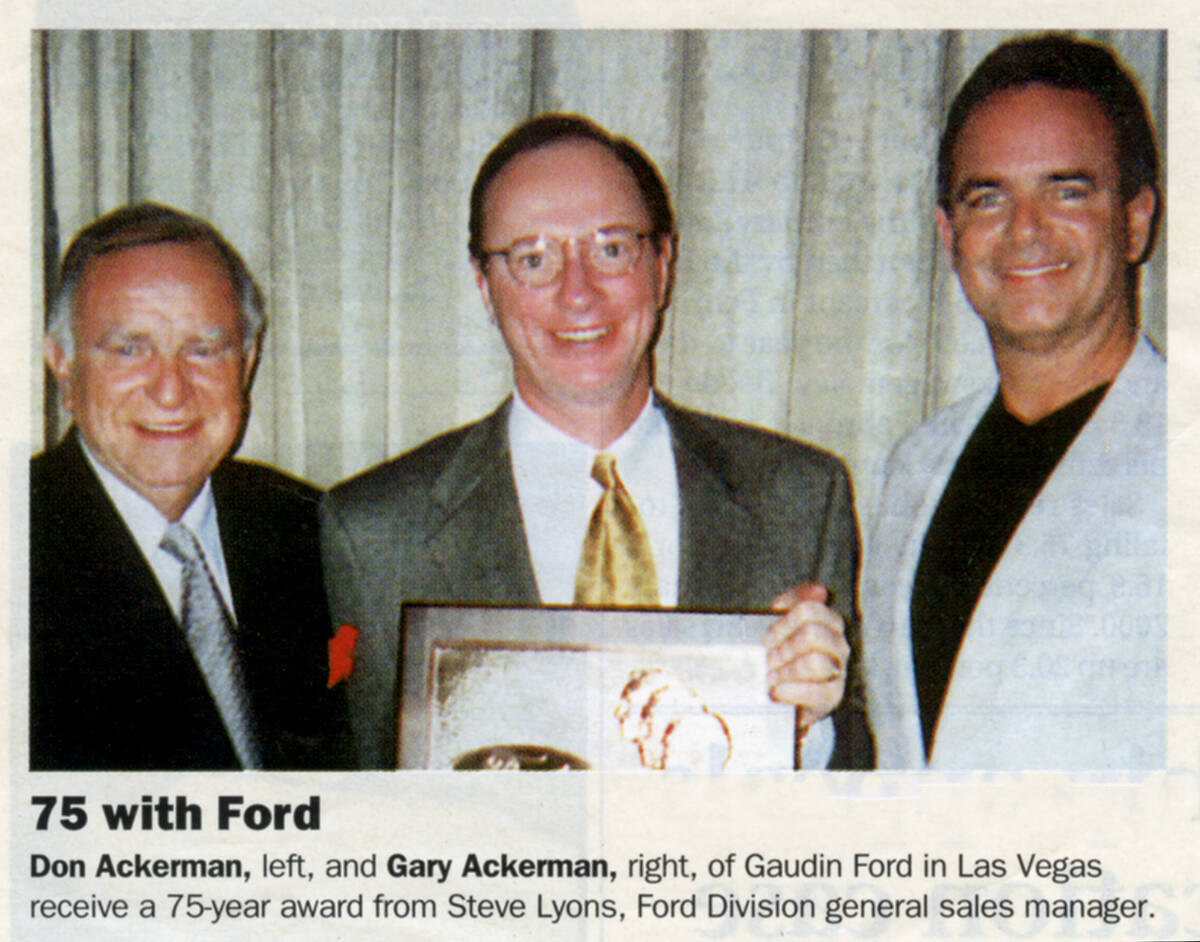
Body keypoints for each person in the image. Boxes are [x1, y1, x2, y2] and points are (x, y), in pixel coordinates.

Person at [322, 114, 873, 771]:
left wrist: (810, 730)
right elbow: (368, 802)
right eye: (533, 258)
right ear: (483, 286)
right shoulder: (374, 532)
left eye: (611, 248)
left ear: (662, 266)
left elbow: (864, 791)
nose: (577, 292)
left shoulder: (802, 496)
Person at [862, 35, 1164, 770]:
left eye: (1067, 190)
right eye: (988, 196)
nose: (1025, 230)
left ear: (1134, 221)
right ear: (949, 233)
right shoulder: (915, 467)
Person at [31, 202, 349, 770]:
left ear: (247, 363)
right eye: (130, 349)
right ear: (62, 364)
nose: (172, 391)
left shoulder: (314, 527)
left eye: (204, 349)